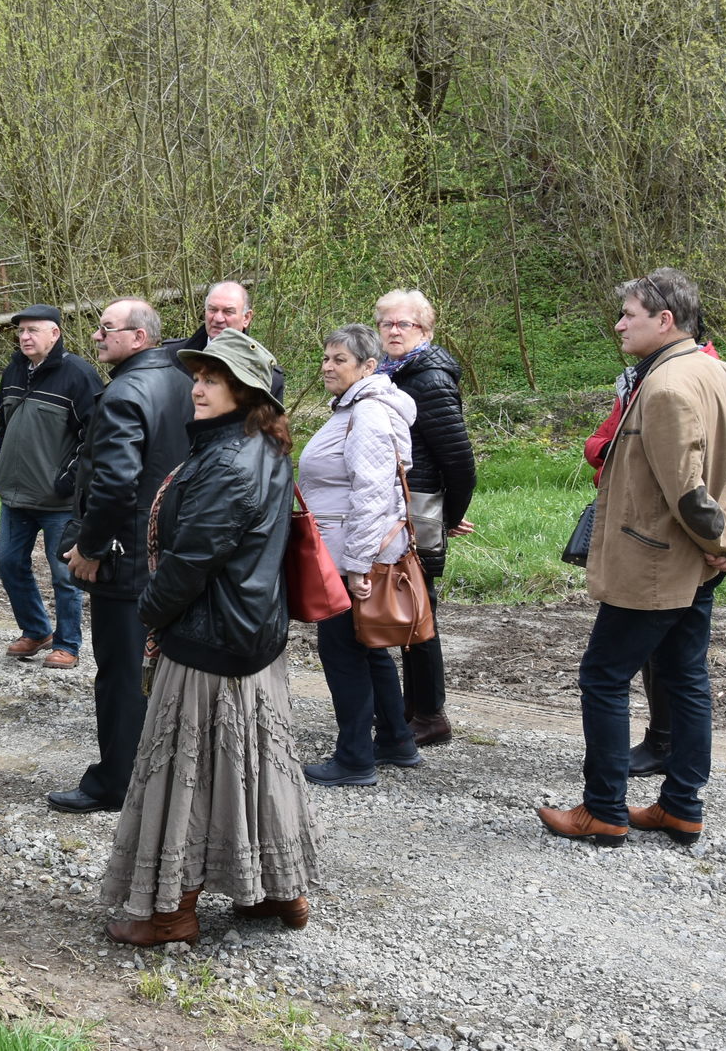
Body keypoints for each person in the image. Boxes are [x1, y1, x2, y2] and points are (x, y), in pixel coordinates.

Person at [99, 330, 320, 947]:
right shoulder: (260, 446)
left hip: (210, 642)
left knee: (187, 772)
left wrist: (147, 609)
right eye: (198, 377)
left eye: (213, 380)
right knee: (254, 763)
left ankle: (173, 911)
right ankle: (278, 890)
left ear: (246, 393)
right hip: (251, 637)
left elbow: (190, 561)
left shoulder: (228, 461)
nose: (197, 388)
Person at [539, 269, 726, 847]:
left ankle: (603, 812)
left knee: (604, 676)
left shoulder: (666, 387)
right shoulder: (724, 374)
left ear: (664, 321)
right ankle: (681, 807)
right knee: (685, 677)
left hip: (655, 566)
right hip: (696, 562)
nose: (619, 324)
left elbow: (688, 494)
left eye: (628, 315)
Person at [48, 298, 194, 815]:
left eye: (107, 329)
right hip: (171, 552)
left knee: (120, 673)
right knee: (161, 670)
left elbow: (114, 482)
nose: (95, 337)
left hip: (128, 557)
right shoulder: (185, 382)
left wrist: (89, 547)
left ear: (140, 337)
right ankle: (164, 774)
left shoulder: (126, 391)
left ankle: (115, 784)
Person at [297, 324, 421, 786]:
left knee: (343, 650)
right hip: (349, 546)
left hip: (350, 551)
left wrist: (356, 565)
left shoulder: (367, 413)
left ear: (369, 367)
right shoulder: (357, 407)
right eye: (326, 357)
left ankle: (354, 757)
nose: (328, 366)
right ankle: (394, 739)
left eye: (339, 360)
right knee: (367, 647)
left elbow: (372, 494)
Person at [371, 290, 477, 749]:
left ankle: (430, 714)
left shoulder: (428, 378)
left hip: (421, 505)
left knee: (418, 606)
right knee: (408, 604)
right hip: (403, 503)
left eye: (404, 325)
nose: (394, 331)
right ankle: (414, 708)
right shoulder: (390, 373)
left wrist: (450, 514)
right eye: (387, 324)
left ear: (425, 331)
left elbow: (459, 460)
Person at [0, 303, 100, 670]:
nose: (24, 336)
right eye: (20, 331)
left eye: (33, 330)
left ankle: (68, 643)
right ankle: (36, 630)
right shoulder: (14, 371)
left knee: (64, 574)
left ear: (55, 333)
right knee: (8, 564)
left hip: (58, 500)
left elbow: (93, 437)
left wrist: (68, 480)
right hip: (15, 496)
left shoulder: (79, 375)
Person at [167, 281, 286, 403]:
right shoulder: (169, 357)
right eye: (212, 310)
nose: (218, 318)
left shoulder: (267, 378)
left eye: (228, 311)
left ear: (246, 318)